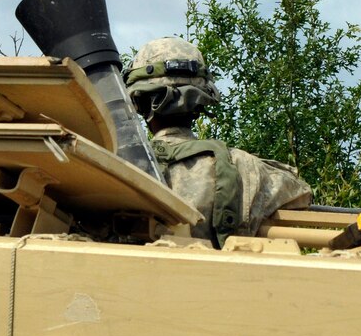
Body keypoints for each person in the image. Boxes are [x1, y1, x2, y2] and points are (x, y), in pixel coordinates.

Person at [126, 37, 312, 247]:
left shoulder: (114, 165)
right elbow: (301, 193)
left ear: (138, 103)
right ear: (201, 101)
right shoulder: (243, 167)